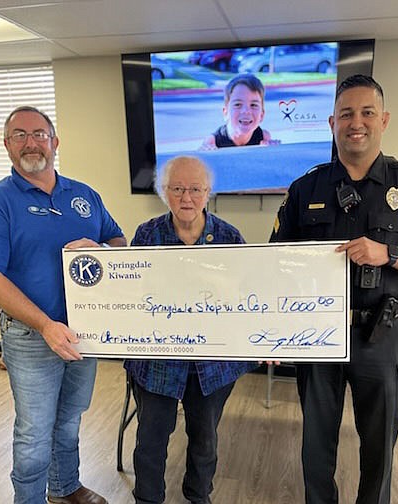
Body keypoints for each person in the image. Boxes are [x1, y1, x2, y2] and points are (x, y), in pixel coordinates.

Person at [269, 75, 398, 503]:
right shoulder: (305, 188)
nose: (356, 122)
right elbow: (274, 263)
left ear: (383, 120)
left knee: (379, 447)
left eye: (366, 113)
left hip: (382, 334)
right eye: (346, 114)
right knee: (316, 446)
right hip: (317, 336)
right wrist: (270, 327)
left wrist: (392, 254)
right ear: (332, 122)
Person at [0, 106, 126, 504]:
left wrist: (101, 249)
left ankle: (65, 487)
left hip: (84, 332)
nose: (30, 141)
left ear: (54, 142)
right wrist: (45, 325)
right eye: (19, 135)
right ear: (7, 146)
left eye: (39, 133)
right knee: (34, 431)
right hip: (30, 336)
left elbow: (119, 244)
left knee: (70, 419)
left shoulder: (84, 195)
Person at [124, 155, 257, 504]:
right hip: (156, 361)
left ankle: (199, 496)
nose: (187, 197)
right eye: (178, 188)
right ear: (163, 191)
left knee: (205, 439)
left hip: (213, 363)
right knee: (151, 439)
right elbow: (131, 296)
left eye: (195, 189)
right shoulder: (147, 234)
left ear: (208, 192)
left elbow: (249, 297)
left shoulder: (229, 237)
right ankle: (148, 499)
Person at [200, 74, 278, 149]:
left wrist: (270, 150)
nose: (246, 111)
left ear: (261, 115)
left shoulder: (263, 138)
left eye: (253, 105)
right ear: (225, 112)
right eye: (238, 104)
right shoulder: (213, 142)